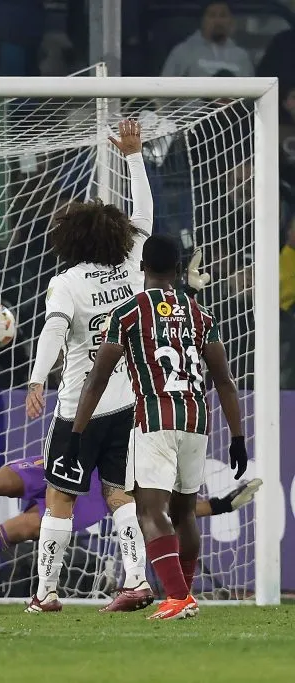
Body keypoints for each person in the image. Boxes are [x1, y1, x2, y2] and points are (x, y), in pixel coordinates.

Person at [71, 233, 247, 620]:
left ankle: (179, 597)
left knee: (149, 511)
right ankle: (183, 596)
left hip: (154, 418)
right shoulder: (201, 315)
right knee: (184, 511)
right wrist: (237, 437)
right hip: (196, 420)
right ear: (179, 268)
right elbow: (225, 380)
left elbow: (98, 378)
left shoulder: (128, 313)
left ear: (142, 266)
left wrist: (77, 432)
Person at [24, 120, 156, 613]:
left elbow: (54, 331)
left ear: (70, 241)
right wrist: (134, 157)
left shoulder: (67, 283)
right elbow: (144, 213)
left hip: (80, 407)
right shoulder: (132, 266)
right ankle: (137, 581)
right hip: (129, 402)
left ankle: (46, 593)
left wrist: (37, 378)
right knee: (121, 494)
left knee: (61, 498)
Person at [0, 458, 260, 574]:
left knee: (21, 529)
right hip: (64, 460)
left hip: (91, 496)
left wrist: (223, 505)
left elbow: (171, 507)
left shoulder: (151, 456)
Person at [160, 1, 253, 78]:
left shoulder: (242, 56)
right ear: (202, 21)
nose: (218, 21)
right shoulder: (183, 52)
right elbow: (162, 93)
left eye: (223, 15)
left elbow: (252, 95)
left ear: (231, 21)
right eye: (212, 15)